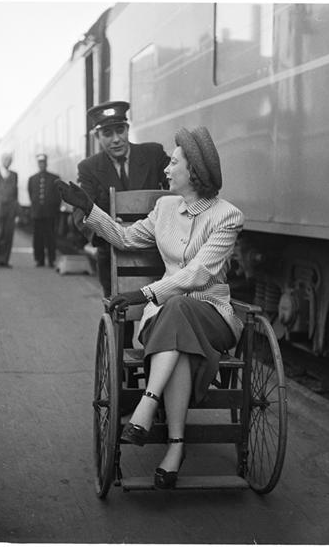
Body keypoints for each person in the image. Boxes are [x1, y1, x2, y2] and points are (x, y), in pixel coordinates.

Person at [57, 126, 244, 489]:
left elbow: (196, 275)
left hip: (211, 314)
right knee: (178, 335)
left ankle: (147, 403)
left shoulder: (227, 216)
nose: (166, 169)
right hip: (170, 320)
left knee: (178, 308)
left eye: (174, 163)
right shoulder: (165, 208)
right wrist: (89, 209)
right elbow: (126, 238)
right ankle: (175, 448)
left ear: (194, 172)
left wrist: (143, 294)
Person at [73, 100, 170, 297]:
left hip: (155, 252)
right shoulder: (88, 168)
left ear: (127, 129)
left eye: (120, 130)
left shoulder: (154, 154)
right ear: (97, 137)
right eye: (107, 134)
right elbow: (81, 211)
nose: (116, 139)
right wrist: (104, 229)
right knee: (117, 307)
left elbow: (177, 190)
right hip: (112, 257)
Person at [28, 153, 62, 267]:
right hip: (37, 213)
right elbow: (31, 194)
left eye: (43, 163)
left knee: (50, 237)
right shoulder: (32, 179)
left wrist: (54, 209)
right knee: (38, 238)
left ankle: (51, 259)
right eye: (40, 163)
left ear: (46, 163)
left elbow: (58, 196)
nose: (42, 165)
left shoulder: (54, 178)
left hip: (50, 213)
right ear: (38, 164)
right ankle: (39, 259)